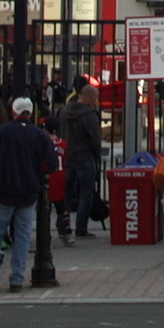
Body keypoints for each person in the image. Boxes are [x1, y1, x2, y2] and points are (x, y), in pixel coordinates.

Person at [0, 98, 58, 294]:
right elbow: (50, 164)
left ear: (14, 112)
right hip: (29, 191)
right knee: (23, 235)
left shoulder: (1, 132)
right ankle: (16, 279)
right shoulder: (39, 135)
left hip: (4, 189)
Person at [56, 83, 102, 241]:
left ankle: (63, 225)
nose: (96, 101)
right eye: (95, 97)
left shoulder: (63, 111)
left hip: (67, 155)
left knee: (66, 193)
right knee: (85, 193)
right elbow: (95, 138)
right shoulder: (89, 115)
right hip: (84, 155)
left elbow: (59, 132)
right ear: (89, 97)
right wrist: (97, 154)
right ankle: (81, 228)